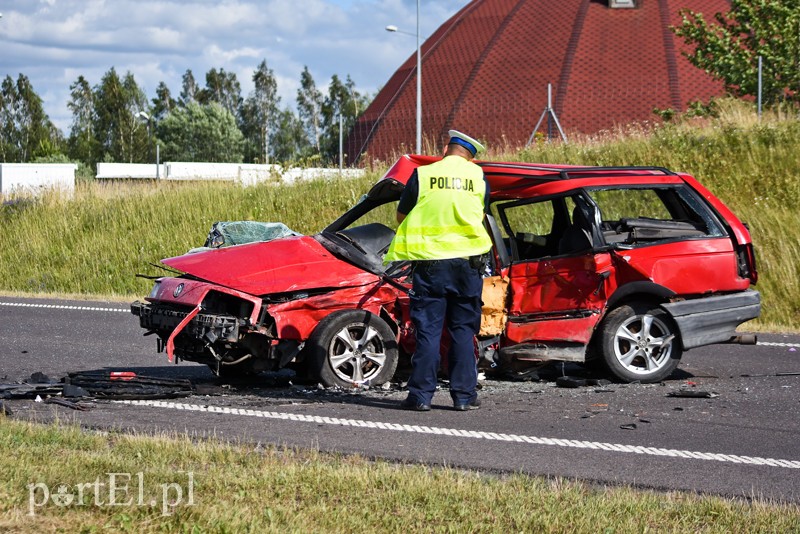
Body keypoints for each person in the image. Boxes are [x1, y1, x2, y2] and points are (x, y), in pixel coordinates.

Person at [385, 130, 492, 411]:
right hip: (467, 266)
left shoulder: (424, 175)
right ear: (471, 155)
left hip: (431, 264)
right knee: (462, 331)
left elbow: (401, 215)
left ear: (446, 148)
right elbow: (480, 215)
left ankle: (421, 397)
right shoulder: (478, 178)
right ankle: (464, 397)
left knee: (429, 332)